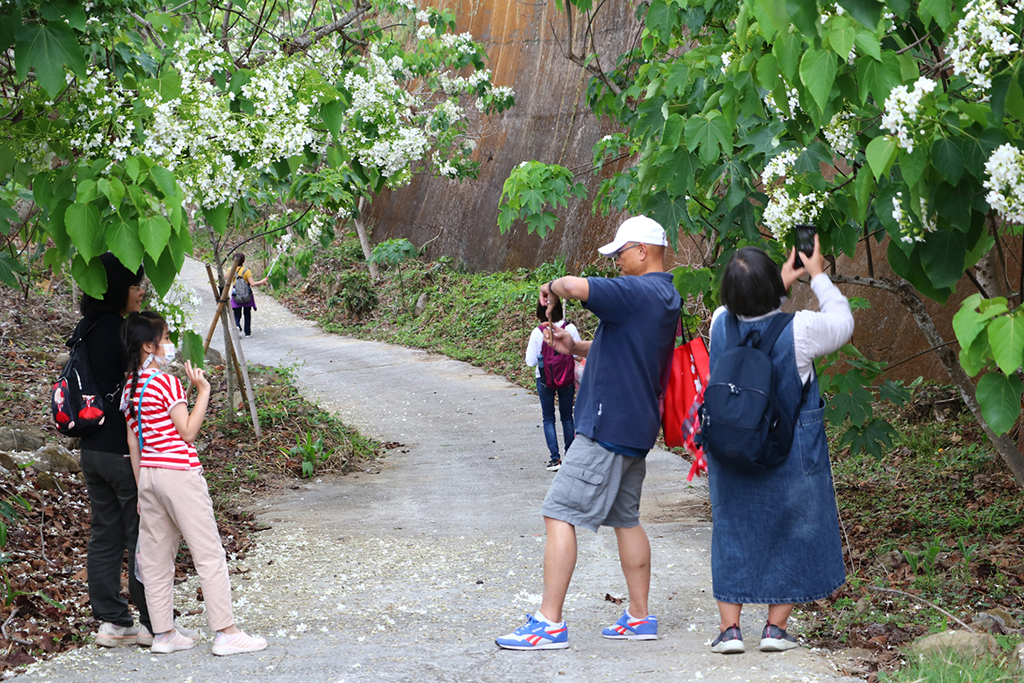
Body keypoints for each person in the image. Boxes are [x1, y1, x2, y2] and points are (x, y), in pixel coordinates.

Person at [495, 216, 680, 650]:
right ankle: (638, 616)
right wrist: (574, 347)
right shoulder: (666, 294)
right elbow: (627, 349)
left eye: (620, 253)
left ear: (642, 250)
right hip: (635, 428)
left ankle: (549, 623)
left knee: (558, 511)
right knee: (626, 519)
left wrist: (553, 287)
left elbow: (576, 287)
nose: (616, 261)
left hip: (605, 426)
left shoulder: (636, 290)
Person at [705, 236, 853, 655]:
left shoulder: (719, 323)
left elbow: (750, 310)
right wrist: (818, 274)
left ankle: (729, 631)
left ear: (728, 295)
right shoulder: (802, 330)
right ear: (772, 287)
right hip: (788, 451)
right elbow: (843, 322)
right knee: (791, 529)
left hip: (733, 449)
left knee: (731, 529)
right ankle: (774, 629)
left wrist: (777, 281)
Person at [121, 312, 268, 656]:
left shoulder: (129, 387)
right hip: (179, 474)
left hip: (150, 478)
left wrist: (142, 488)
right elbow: (187, 431)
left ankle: (163, 635)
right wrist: (204, 390)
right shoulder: (164, 382)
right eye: (166, 337)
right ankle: (226, 632)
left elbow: (133, 442)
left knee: (156, 560)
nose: (170, 344)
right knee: (208, 552)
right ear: (148, 345)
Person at [72, 252, 153, 648]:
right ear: (119, 288)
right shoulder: (122, 331)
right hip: (124, 452)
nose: (140, 291)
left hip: (91, 449)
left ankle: (112, 621)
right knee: (142, 532)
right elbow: (143, 386)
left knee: (105, 533)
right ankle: (155, 620)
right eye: (136, 284)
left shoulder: (85, 328)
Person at [525, 298, 581, 472]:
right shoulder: (569, 329)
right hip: (566, 378)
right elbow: (577, 352)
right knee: (567, 416)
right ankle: (570, 457)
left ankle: (554, 459)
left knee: (548, 418)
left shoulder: (537, 332)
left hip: (544, 379)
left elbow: (530, 361)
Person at [229, 252, 268, 337]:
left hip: (236, 295)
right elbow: (252, 284)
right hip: (247, 295)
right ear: (243, 260)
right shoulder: (247, 271)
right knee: (247, 313)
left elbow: (225, 277)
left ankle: (237, 326)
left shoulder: (231, 270)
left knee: (236, 314)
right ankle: (247, 332)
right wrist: (262, 281)